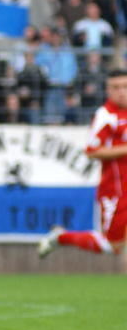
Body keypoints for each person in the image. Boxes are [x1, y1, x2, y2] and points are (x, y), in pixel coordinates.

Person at [39, 70, 127, 257]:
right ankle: (60, 237)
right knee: (111, 246)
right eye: (116, 87)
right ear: (108, 90)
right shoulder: (106, 116)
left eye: (125, 86)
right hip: (116, 190)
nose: (122, 91)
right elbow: (91, 151)